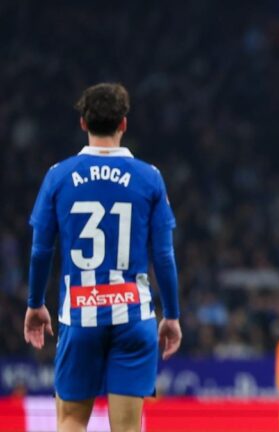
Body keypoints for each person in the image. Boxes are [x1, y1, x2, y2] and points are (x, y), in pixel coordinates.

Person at [23, 83, 182, 432]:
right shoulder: (149, 177)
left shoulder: (58, 176)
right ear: (124, 123)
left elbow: (41, 250)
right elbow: (164, 255)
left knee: (70, 422)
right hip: (134, 316)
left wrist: (35, 303)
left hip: (80, 313)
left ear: (83, 123)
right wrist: (171, 314)